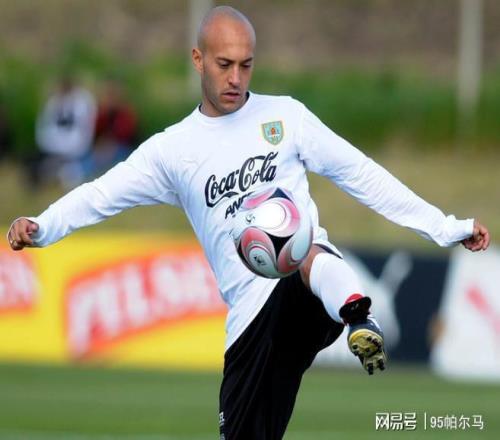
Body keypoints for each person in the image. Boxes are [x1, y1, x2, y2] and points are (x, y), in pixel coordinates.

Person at [7, 6, 490, 440]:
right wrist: (43, 225)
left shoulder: (286, 117)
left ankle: (358, 316)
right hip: (250, 326)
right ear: (198, 60)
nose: (236, 77)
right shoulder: (171, 150)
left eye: (246, 64)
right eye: (224, 64)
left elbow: (361, 174)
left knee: (302, 245)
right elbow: (100, 195)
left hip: (305, 293)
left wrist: (445, 226)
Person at [32, 75, 96, 188]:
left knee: (70, 171)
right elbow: (45, 123)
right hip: (55, 145)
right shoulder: (54, 101)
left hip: (74, 147)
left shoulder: (82, 101)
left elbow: (85, 126)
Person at [90, 77, 137, 176]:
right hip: (101, 149)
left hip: (122, 150)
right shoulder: (101, 112)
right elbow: (95, 132)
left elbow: (126, 135)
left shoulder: (126, 112)